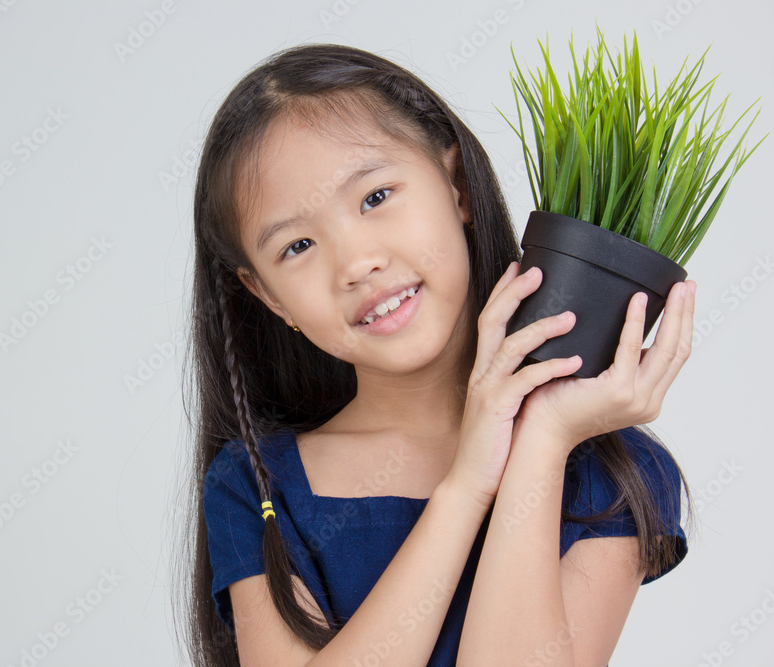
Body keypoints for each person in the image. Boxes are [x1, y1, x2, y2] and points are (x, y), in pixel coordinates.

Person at [176, 42, 697, 666]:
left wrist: (541, 438)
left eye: (375, 198)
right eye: (298, 245)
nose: (357, 263)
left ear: (455, 187)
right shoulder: (257, 485)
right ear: (265, 295)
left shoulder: (607, 475)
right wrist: (467, 482)